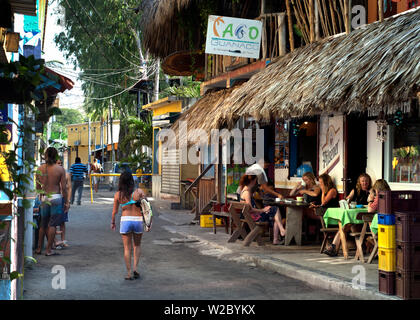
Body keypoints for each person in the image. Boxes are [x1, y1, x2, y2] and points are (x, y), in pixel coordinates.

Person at [111, 172, 147, 280]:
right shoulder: (139, 192)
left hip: (125, 220)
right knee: (137, 245)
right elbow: (147, 207)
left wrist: (113, 222)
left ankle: (129, 273)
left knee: (127, 248)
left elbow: (114, 212)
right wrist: (148, 222)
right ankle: (136, 268)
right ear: (132, 180)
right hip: (138, 220)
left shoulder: (118, 194)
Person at [35, 147, 69, 256]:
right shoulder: (60, 169)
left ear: (45, 155)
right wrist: (67, 201)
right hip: (56, 197)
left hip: (44, 197)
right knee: (53, 224)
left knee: (42, 224)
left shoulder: (39, 169)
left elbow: (37, 187)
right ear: (56, 156)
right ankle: (49, 250)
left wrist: (41, 196)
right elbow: (64, 188)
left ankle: (39, 249)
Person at [239, 174, 286, 245]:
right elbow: (250, 209)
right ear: (252, 181)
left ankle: (280, 232)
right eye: (256, 180)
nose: (256, 182)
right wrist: (263, 210)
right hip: (254, 218)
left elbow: (249, 208)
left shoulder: (244, 190)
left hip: (249, 216)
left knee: (275, 214)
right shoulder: (247, 193)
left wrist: (263, 209)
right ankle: (280, 232)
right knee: (275, 210)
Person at [55, 159, 71, 248]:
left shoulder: (67, 175)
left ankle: (63, 240)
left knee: (62, 221)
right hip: (55, 199)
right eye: (58, 163)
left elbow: (69, 189)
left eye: (61, 163)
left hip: (63, 200)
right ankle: (55, 241)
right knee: (53, 222)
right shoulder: (53, 175)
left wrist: (68, 201)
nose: (60, 164)